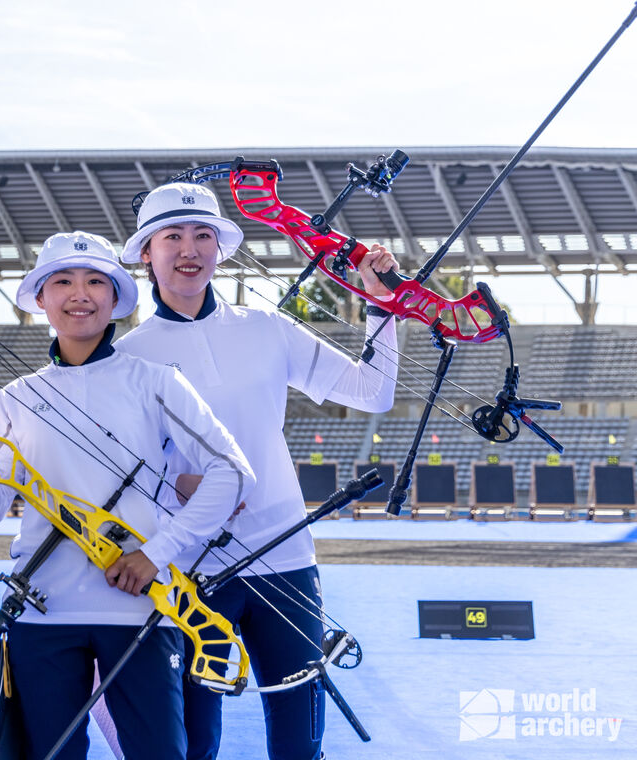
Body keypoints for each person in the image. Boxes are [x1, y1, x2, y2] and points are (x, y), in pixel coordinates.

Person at [0, 230, 255, 760]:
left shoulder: (156, 380)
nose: (80, 293)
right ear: (42, 299)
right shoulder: (16, 396)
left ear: (116, 298)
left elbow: (234, 474)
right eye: (64, 282)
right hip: (42, 613)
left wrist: (154, 554)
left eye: (96, 281)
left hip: (141, 608)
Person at [114, 182, 400, 760]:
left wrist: (381, 305)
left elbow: (374, 392)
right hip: (187, 566)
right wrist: (177, 484)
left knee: (299, 739)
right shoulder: (129, 355)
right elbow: (119, 469)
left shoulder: (269, 328)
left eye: (203, 235)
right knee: (193, 741)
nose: (189, 248)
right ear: (147, 252)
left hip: (285, 555)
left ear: (221, 249)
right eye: (172, 236)